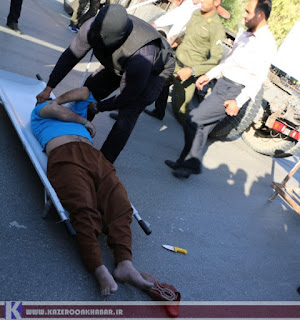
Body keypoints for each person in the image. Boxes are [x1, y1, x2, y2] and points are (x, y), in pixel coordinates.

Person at [31, 86, 154, 296]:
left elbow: (84, 91)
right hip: (65, 156)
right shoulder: (41, 110)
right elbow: (54, 109)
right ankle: (98, 267)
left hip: (96, 158)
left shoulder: (73, 108)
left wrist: (61, 99)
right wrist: (84, 121)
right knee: (83, 208)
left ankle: (125, 264)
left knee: (121, 204)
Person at [36, 4, 175, 164]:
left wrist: (99, 107)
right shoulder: (91, 28)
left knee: (127, 115)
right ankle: (75, 134)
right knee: (89, 90)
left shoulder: (141, 58)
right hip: (120, 61)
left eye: (101, 39)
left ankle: (102, 164)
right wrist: (49, 87)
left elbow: (127, 96)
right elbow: (70, 57)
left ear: (110, 39)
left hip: (154, 71)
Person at [165, 0, 277, 178]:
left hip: (234, 91)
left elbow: (258, 79)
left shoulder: (266, 43)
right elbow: (228, 62)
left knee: (193, 119)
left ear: (260, 15)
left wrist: (238, 102)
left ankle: (193, 163)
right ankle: (183, 163)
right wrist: (209, 75)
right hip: (222, 84)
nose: (243, 15)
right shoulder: (245, 36)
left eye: (247, 12)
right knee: (202, 128)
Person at [144, 0, 225, 124]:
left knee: (182, 112)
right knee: (154, 84)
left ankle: (194, 138)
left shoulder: (217, 29)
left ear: (217, 2)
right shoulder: (196, 14)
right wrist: (172, 42)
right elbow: (185, 35)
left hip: (187, 73)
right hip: (175, 63)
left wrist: (192, 71)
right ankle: (128, 111)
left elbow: (215, 59)